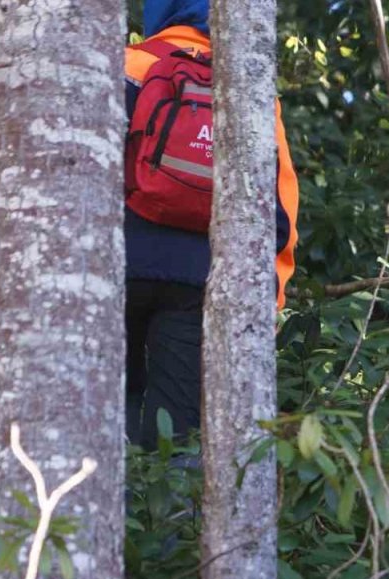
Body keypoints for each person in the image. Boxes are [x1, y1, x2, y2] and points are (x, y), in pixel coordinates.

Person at [123, 0, 299, 449]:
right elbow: (278, 213)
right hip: (201, 285)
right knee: (176, 440)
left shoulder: (124, 65)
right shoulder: (251, 86)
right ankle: (173, 516)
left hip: (114, 270)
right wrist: (268, 306)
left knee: (106, 422)